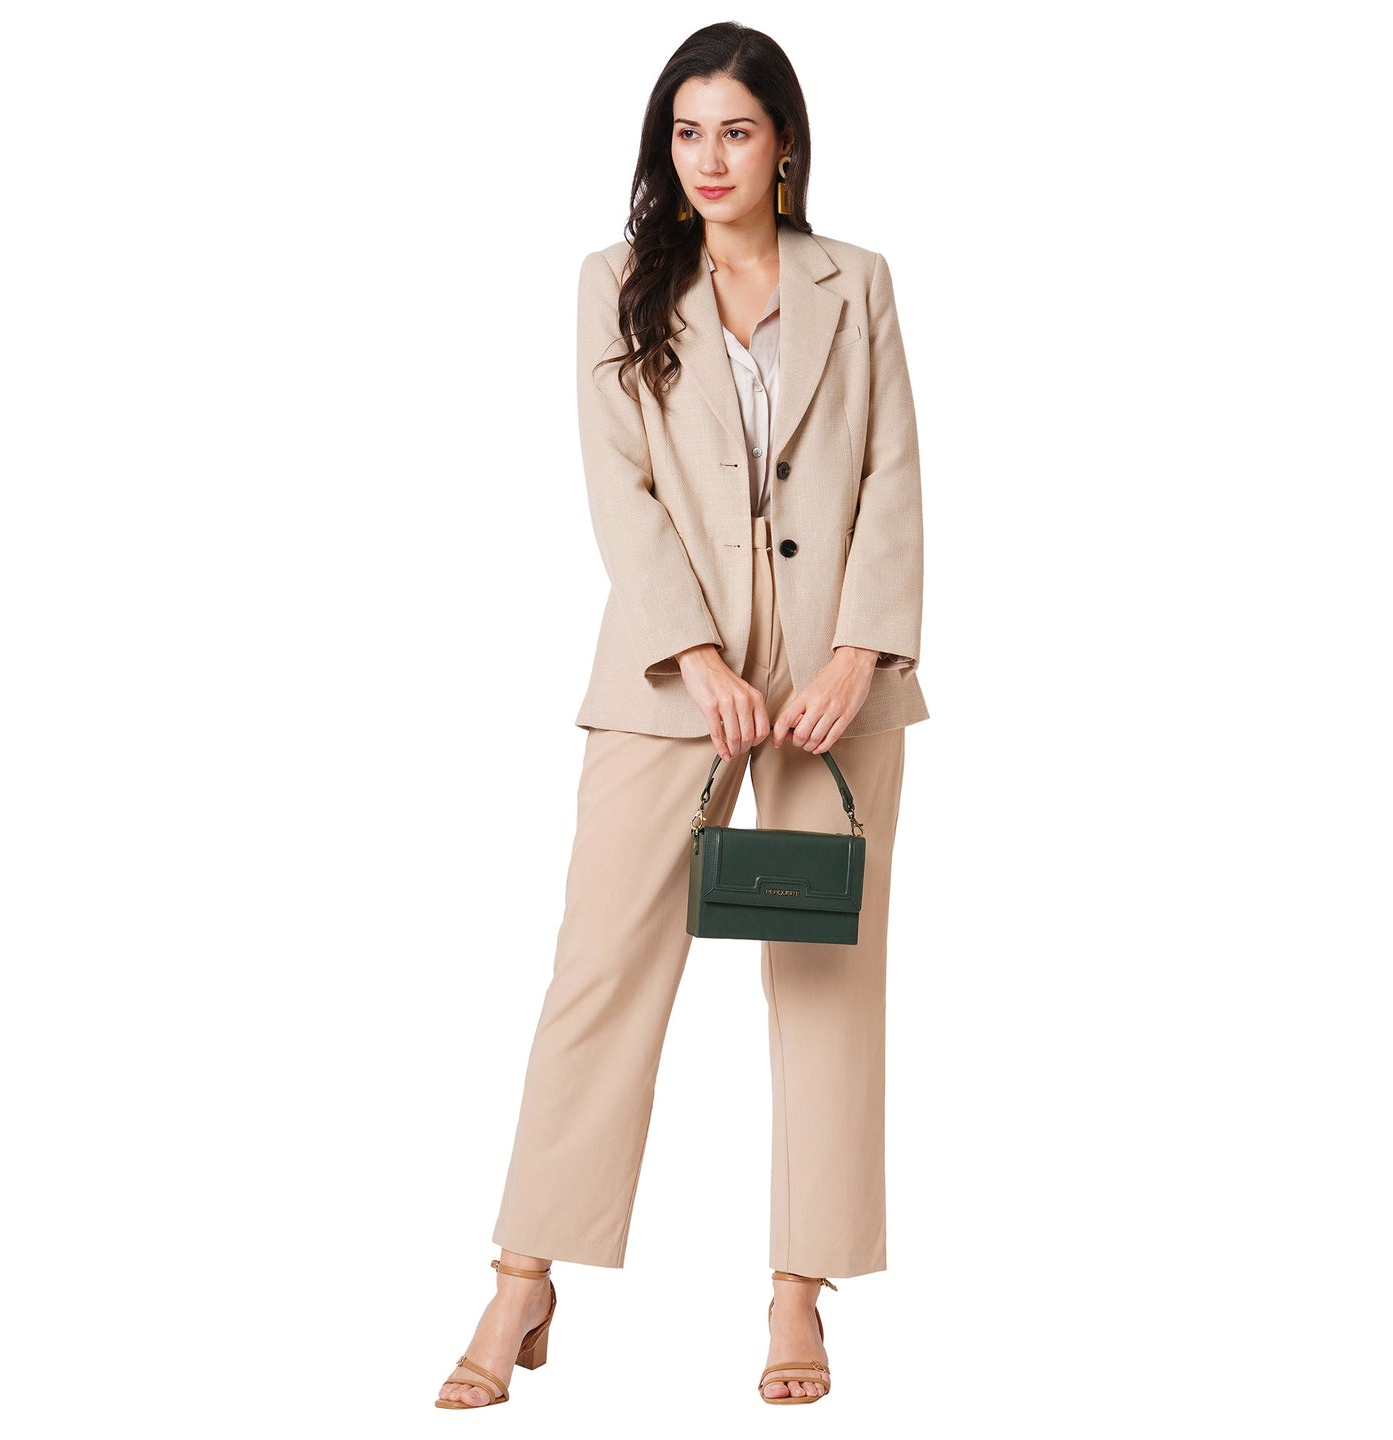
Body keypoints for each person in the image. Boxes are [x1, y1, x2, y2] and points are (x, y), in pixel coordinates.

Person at [436, 20, 929, 1410]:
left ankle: (799, 1292)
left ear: (785, 147)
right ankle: (522, 1278)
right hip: (670, 679)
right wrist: (698, 657)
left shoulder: (857, 281)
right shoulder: (615, 284)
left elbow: (893, 471)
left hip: (837, 681)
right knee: (601, 970)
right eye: (687, 132)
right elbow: (621, 485)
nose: (710, 158)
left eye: (737, 131)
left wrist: (858, 651)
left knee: (825, 977)